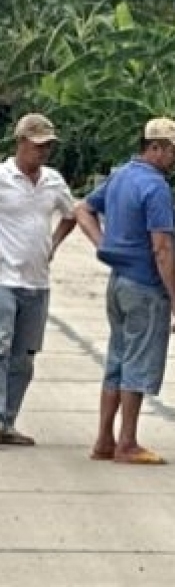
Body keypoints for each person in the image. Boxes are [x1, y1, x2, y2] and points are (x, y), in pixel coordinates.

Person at [74, 117, 175, 465]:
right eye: (173, 152)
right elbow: (162, 249)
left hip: (119, 283)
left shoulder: (121, 176)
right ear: (154, 148)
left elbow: (82, 208)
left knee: (117, 360)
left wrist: (104, 245)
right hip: (145, 286)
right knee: (138, 364)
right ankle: (126, 441)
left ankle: (104, 439)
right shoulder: (155, 187)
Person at [0, 114, 77, 446]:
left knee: (24, 358)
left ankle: (7, 421)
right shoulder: (3, 178)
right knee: (0, 350)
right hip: (3, 278)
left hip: (37, 283)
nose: (43, 153)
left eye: (48, 147)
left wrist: (54, 243)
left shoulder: (53, 181)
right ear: (21, 142)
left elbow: (71, 215)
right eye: (38, 146)